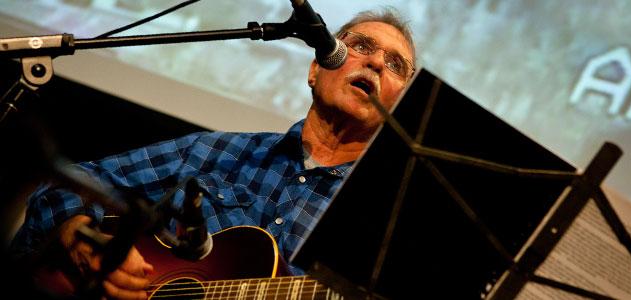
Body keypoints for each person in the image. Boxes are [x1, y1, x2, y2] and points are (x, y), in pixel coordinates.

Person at [10, 7, 416, 300]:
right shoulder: (220, 151)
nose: (377, 62)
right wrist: (78, 232)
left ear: (401, 108)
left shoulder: (380, 222)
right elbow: (76, 182)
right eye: (361, 46)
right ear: (315, 69)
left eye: (396, 65)